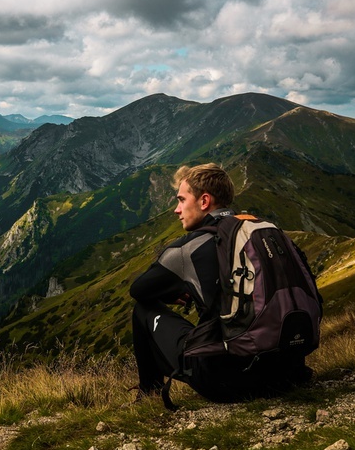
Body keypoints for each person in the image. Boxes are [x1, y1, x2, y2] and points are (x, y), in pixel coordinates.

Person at [129, 163, 310, 404]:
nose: (176, 210)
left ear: (204, 201)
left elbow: (139, 290)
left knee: (143, 310)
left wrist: (171, 293)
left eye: (182, 200)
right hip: (290, 372)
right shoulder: (266, 233)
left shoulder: (187, 249)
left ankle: (148, 393)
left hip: (226, 380)